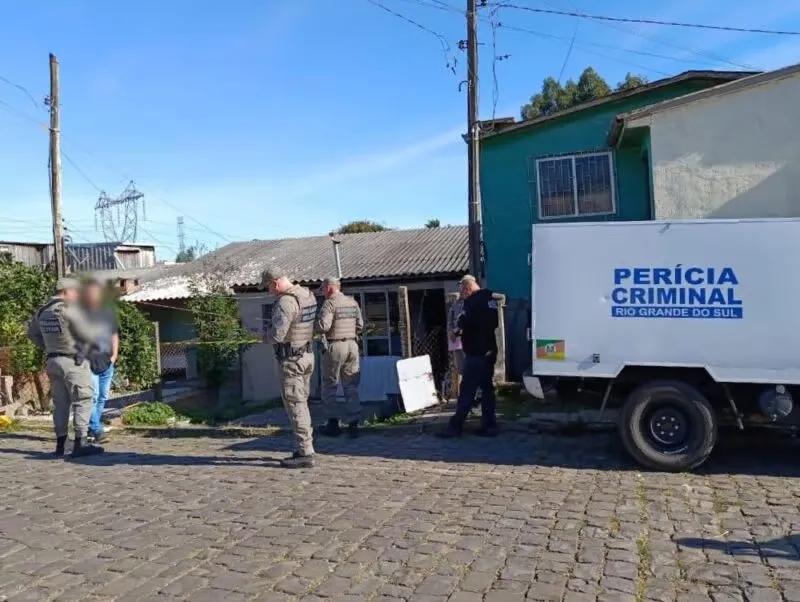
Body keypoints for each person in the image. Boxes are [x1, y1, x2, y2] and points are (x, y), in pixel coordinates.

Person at [27, 277, 105, 458]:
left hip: (53, 361)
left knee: (60, 404)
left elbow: (32, 334)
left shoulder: (42, 311)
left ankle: (61, 444)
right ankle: (81, 442)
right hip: (74, 361)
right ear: (66, 292)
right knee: (83, 400)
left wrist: (48, 347)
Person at [262, 266, 318, 468]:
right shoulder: (306, 294)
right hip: (306, 355)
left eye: (268, 286)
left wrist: (260, 335)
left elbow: (277, 335)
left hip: (292, 361)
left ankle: (306, 452)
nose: (268, 291)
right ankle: (305, 447)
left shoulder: (286, 301)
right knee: (302, 403)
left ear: (276, 282)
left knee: (296, 405)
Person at [436, 274, 499, 438]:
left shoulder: (471, 302)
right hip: (489, 351)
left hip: (476, 353)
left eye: (463, 292)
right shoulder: (490, 298)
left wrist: (457, 331)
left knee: (467, 390)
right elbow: (494, 322)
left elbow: (463, 321)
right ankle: (489, 425)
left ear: (467, 288)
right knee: (487, 390)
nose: (462, 295)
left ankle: (455, 427)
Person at [315, 276, 364, 438]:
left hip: (335, 346)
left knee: (330, 385)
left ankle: (333, 423)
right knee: (350, 385)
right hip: (352, 345)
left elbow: (324, 326)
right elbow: (360, 325)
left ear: (329, 288)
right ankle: (354, 423)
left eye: (323, 288)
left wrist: (313, 326)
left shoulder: (329, 303)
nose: (322, 292)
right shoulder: (352, 302)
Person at [81, 278, 119, 444]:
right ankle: (96, 429)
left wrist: (114, 356)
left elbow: (114, 335)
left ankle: (92, 427)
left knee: (102, 396)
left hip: (107, 362)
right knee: (93, 396)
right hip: (89, 363)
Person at [447, 290, 466, 397]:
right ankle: (460, 394)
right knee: (460, 367)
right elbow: (450, 320)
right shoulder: (455, 305)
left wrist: (457, 331)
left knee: (470, 366)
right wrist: (451, 332)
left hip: (467, 338)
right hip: (456, 340)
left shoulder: (471, 304)